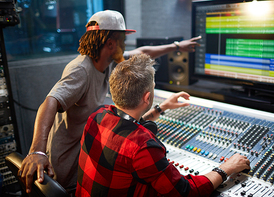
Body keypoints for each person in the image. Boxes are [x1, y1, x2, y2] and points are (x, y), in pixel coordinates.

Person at [18, 10, 202, 194]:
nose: (125, 44)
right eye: (123, 39)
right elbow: (50, 102)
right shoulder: (81, 69)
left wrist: (177, 46)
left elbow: (142, 53)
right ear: (111, 43)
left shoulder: (108, 61)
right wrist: (37, 151)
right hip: (66, 167)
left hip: (86, 156)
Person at [75, 54, 251, 197]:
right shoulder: (143, 148)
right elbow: (185, 192)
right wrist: (226, 168)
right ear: (147, 97)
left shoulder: (97, 116)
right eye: (152, 87)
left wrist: (160, 108)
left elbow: (125, 125)